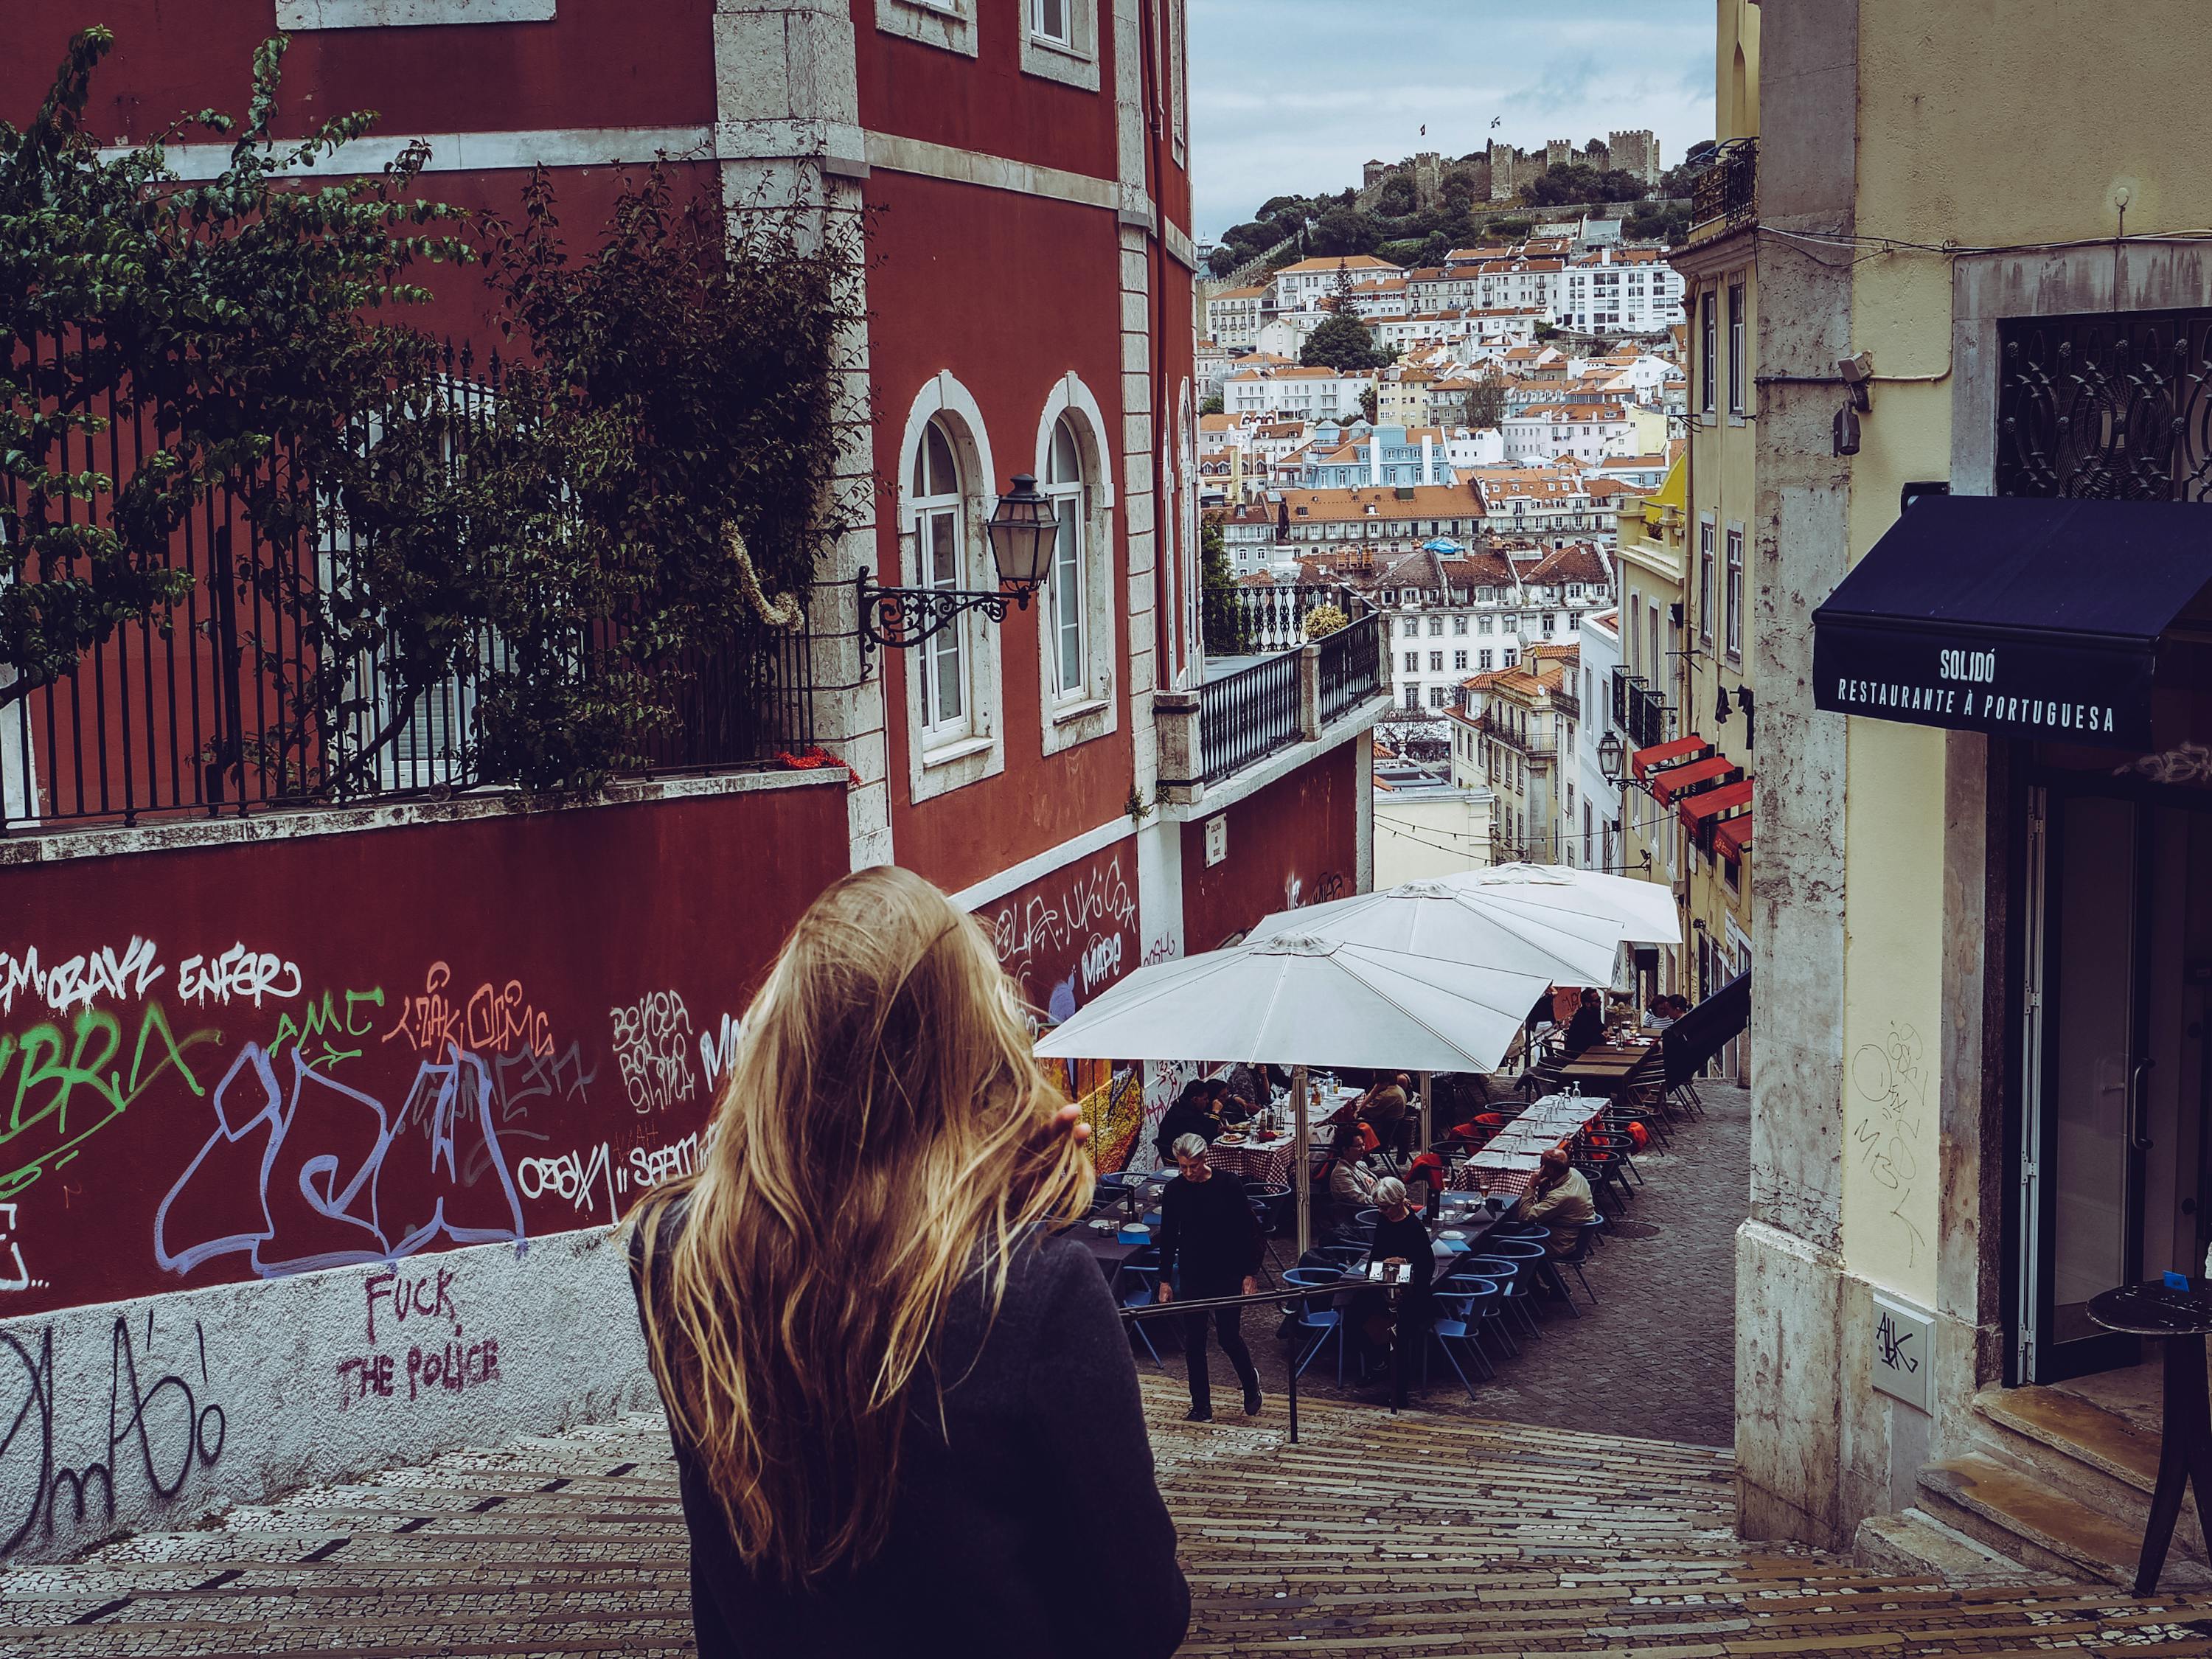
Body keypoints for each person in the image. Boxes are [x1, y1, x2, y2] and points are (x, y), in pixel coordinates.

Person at [628, 867, 1189, 1659]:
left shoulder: (674, 1257)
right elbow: (1140, 1615)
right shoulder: (1038, 1289)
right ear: (970, 1050)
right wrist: (1021, 1218)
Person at [1155, 1133, 1265, 1422]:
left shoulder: (1228, 1185)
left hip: (1227, 1271)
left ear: (1204, 1159)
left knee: (1228, 1337)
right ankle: (1201, 1406)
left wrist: (1249, 1273)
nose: (1188, 1173)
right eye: (1183, 1167)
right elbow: (1168, 1236)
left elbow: (1249, 1231)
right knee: (1194, 1341)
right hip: (1193, 1272)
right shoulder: (1175, 1190)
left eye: (1192, 1166)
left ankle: (1250, 1383)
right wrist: (1165, 1280)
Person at [1366, 1177, 1435, 1409]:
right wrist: (1381, 1266)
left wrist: (1405, 1262)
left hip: (1412, 1294)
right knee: (1358, 1312)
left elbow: (1427, 1266)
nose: (1381, 1211)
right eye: (1379, 1207)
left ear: (1398, 1203)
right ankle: (1378, 1362)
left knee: (1401, 1331)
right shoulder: (1384, 1220)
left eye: (1384, 1207)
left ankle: (1399, 1391)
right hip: (1384, 1286)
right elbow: (1375, 1254)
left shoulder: (1413, 1227)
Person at [1515, 1145, 1596, 1255]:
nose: (1539, 1168)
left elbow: (1525, 1217)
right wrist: (1546, 1180)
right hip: (1569, 1232)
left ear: (1550, 1170)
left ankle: (1524, 1269)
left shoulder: (1560, 1196)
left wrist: (1531, 1188)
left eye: (1541, 1165)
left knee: (1505, 1241)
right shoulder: (1574, 1173)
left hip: (1557, 1242)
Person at [1152, 1078, 1221, 1164]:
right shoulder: (1183, 1115)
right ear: (1195, 1099)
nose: (1208, 1102)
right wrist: (1216, 1113)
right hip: (1181, 1158)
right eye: (1205, 1099)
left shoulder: (1185, 1105)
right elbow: (1207, 1138)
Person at [1562, 988, 1606, 1058]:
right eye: (1597, 1001)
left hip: (1591, 1051)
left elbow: (1601, 1027)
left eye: (1600, 999)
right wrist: (1603, 1036)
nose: (1600, 1002)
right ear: (1588, 1004)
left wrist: (1604, 1033)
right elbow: (1589, 1039)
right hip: (1578, 1055)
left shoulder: (1595, 1012)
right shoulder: (1582, 1017)